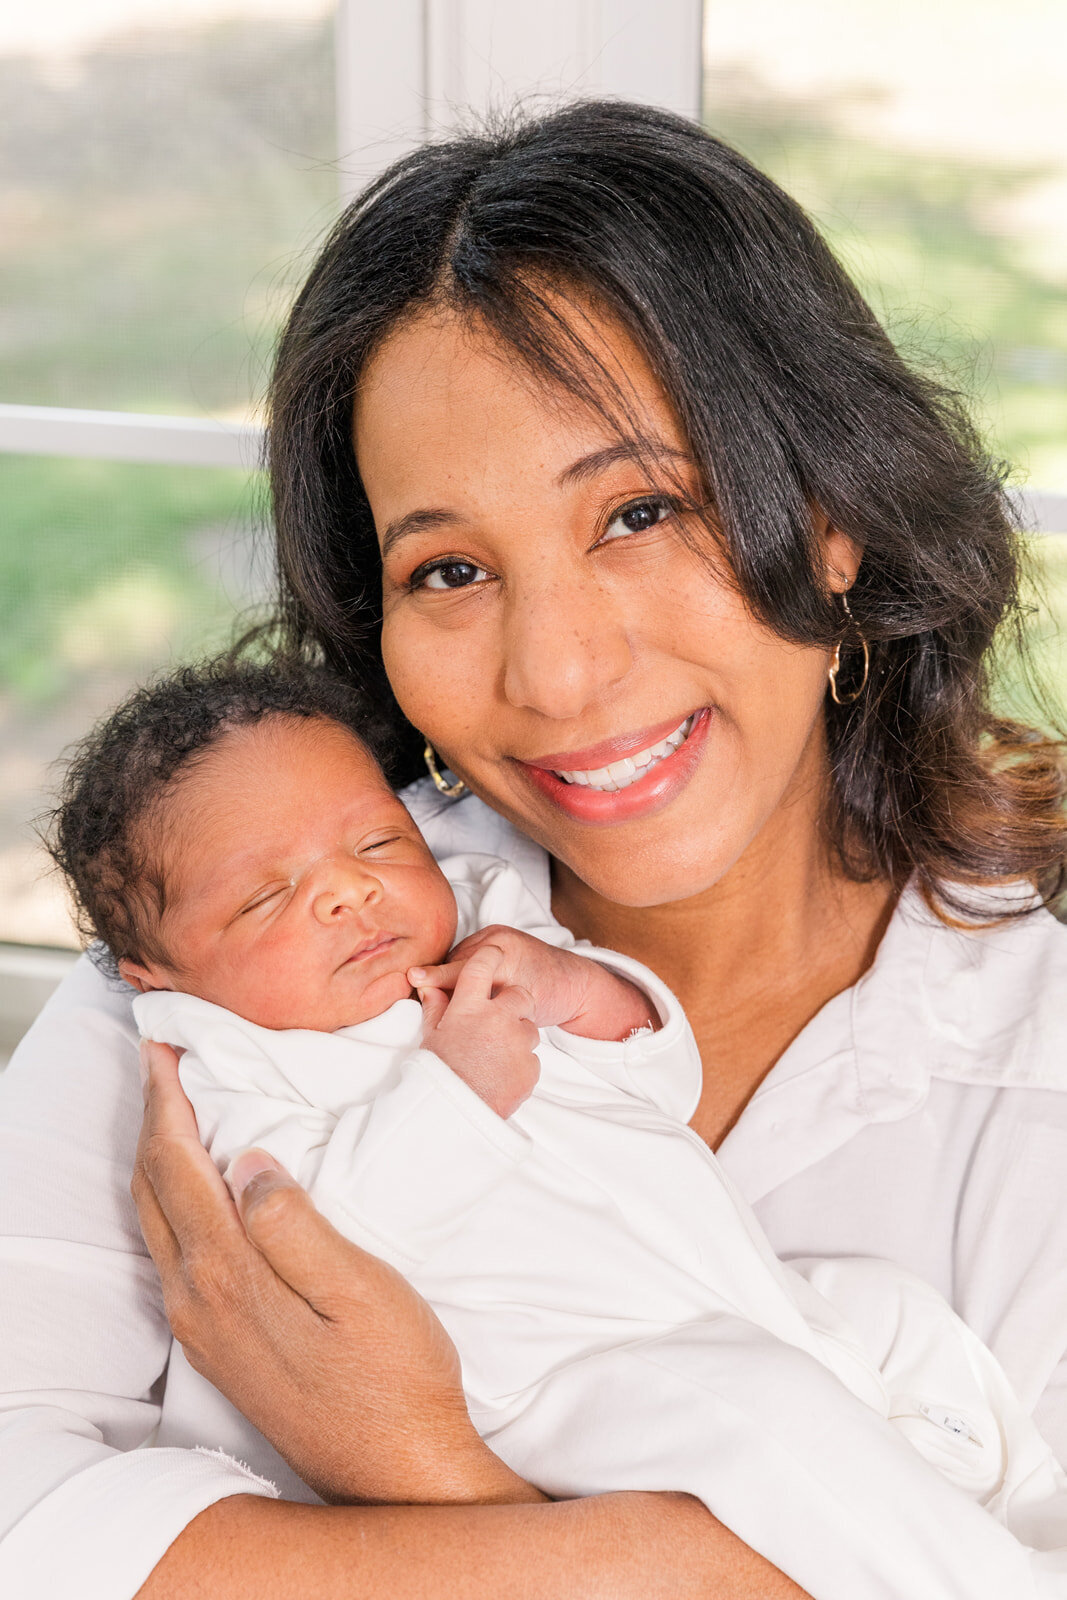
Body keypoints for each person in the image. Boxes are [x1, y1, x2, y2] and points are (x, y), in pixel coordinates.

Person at [2, 98, 1066, 1600]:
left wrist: (419, 1468)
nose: (557, 676)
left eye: (639, 511)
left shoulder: (1034, 1080)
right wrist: (647, 1558)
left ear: (831, 520)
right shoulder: (237, 951)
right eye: (447, 568)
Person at [44, 655, 1067, 1597]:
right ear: (153, 970)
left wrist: (576, 989)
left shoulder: (479, 919)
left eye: (376, 842)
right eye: (268, 896)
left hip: (732, 1299)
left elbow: (655, 1077)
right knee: (768, 1423)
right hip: (554, 1383)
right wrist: (457, 1084)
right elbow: (313, 1238)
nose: (347, 890)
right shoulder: (228, 1064)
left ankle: (1002, 1511)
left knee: (892, 1313)